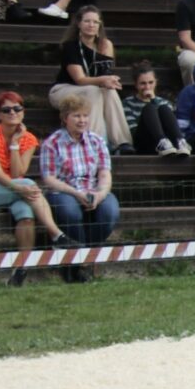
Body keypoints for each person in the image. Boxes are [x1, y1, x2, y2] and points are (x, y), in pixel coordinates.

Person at [0, 91, 75, 286]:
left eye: (17, 108)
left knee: (26, 214)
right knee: (29, 184)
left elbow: (16, 172)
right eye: (6, 110)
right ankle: (57, 235)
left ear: (23, 112)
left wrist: (14, 145)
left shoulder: (28, 139)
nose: (12, 112)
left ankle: (21, 269)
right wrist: (21, 188)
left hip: (14, 189)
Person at [40, 93, 120, 282]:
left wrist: (100, 194)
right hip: (64, 190)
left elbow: (104, 173)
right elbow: (49, 178)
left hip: (93, 188)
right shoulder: (52, 143)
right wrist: (76, 193)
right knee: (70, 212)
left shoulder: (96, 141)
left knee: (110, 211)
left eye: (85, 115)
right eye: (76, 116)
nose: (82, 120)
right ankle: (79, 264)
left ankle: (81, 260)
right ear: (65, 118)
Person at [48, 6, 133, 154]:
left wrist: (109, 79)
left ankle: (122, 142)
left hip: (93, 89)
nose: (91, 25)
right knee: (94, 91)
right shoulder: (71, 46)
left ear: (100, 25)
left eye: (95, 22)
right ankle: (94, 143)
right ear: (79, 24)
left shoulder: (105, 45)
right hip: (64, 89)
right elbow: (80, 79)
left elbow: (105, 74)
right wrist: (103, 79)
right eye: (87, 21)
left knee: (109, 92)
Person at [122, 61, 189, 156]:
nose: (147, 87)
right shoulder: (127, 103)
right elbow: (132, 131)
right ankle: (161, 142)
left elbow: (172, 125)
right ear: (136, 84)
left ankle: (180, 142)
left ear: (156, 82)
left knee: (164, 108)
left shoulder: (164, 102)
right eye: (143, 83)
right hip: (143, 143)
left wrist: (153, 99)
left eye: (150, 82)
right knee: (149, 108)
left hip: (168, 145)